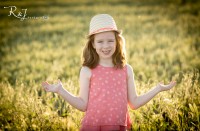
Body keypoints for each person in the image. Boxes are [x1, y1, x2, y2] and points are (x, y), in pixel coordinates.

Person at [42, 14, 176, 131]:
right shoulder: (87, 71)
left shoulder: (126, 70)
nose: (106, 46)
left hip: (118, 127)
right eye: (100, 41)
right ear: (93, 44)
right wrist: (60, 90)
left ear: (117, 42)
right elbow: (82, 105)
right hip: (93, 126)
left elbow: (134, 103)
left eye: (110, 41)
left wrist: (158, 88)